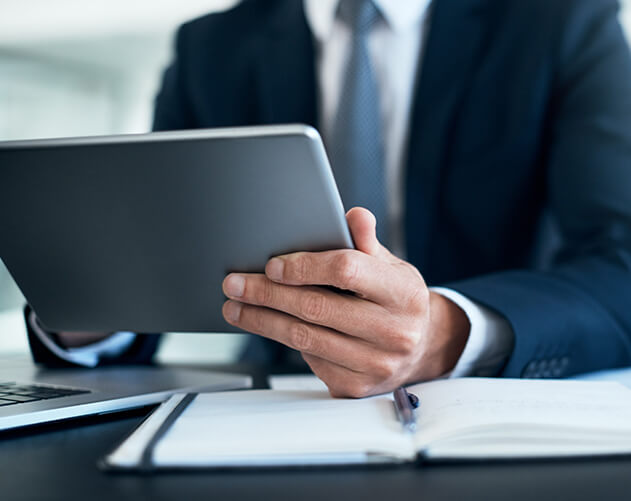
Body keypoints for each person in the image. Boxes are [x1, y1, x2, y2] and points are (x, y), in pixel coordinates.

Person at [26, 0, 631, 398]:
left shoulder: (563, 20)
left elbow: (621, 264)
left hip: (489, 400)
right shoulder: (211, 49)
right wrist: (87, 304)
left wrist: (442, 334)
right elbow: (149, 265)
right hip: (268, 404)